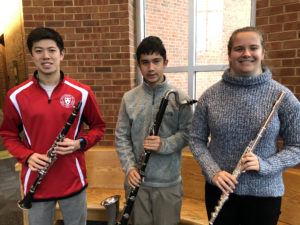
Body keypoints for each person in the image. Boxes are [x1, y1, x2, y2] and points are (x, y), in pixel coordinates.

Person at [189, 26, 300, 225]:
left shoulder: (283, 96)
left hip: (264, 196)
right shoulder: (210, 96)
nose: (246, 54)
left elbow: (297, 146)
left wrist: (266, 165)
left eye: (253, 48)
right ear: (230, 54)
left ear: (263, 52)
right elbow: (196, 140)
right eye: (239, 49)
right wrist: (213, 171)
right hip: (219, 190)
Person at [0, 27, 106, 225]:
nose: (46, 56)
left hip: (73, 180)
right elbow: (8, 134)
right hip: (36, 182)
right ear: (31, 55)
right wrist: (27, 156)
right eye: (39, 50)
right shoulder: (15, 96)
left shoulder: (81, 92)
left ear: (62, 54)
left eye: (52, 50)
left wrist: (79, 143)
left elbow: (98, 127)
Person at [115, 36, 193, 225]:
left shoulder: (180, 97)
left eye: (156, 61)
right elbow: (121, 137)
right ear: (139, 65)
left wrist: (164, 144)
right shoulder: (129, 98)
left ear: (165, 63)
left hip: (168, 185)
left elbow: (188, 134)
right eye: (145, 62)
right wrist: (130, 168)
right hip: (137, 183)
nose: (151, 68)